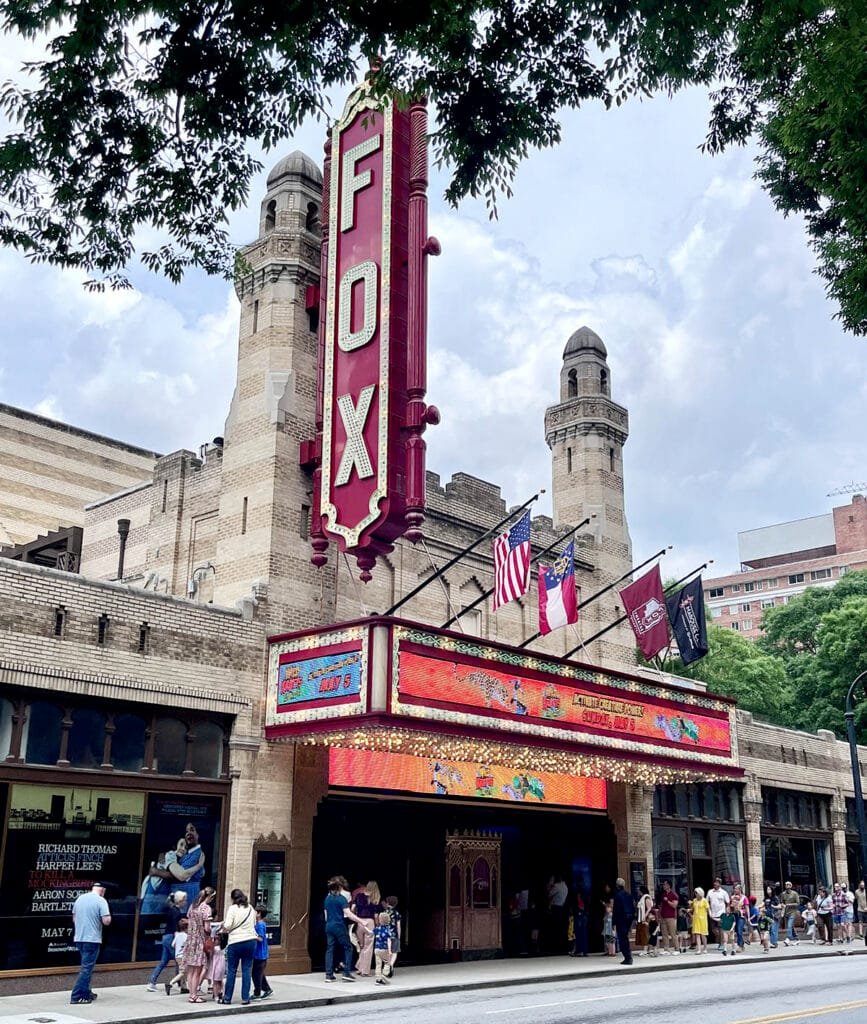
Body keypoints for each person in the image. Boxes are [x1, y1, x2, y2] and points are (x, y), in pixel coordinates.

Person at [70, 882, 111, 1005]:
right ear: (102, 890)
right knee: (86, 968)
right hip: (92, 939)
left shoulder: (80, 898)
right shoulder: (101, 901)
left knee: (86, 966)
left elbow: (74, 918)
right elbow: (106, 921)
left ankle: (87, 992)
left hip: (79, 938)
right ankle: (76, 996)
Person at [220, 888, 258, 1005]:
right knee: (247, 969)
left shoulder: (232, 909)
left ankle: (227, 998)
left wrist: (223, 925)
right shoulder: (251, 908)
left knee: (232, 970)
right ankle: (245, 998)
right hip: (250, 940)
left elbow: (227, 925)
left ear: (233, 898)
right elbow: (254, 924)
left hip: (235, 941)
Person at [147, 890, 188, 992]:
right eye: (184, 900)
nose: (186, 902)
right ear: (180, 901)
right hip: (171, 937)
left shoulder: (172, 910)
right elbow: (175, 927)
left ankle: (152, 981)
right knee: (179, 961)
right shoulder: (176, 912)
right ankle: (181, 984)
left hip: (166, 936)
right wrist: (177, 939)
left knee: (164, 961)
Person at [325, 879, 363, 981]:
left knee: (330, 949)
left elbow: (325, 916)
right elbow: (349, 914)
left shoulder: (327, 899)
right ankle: (346, 973)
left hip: (329, 926)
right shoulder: (341, 899)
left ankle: (329, 974)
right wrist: (361, 921)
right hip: (339, 926)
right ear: (340, 888)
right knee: (348, 947)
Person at [183, 885, 215, 1003]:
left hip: (191, 939)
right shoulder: (206, 908)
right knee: (197, 970)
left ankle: (191, 994)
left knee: (191, 970)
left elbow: (188, 919)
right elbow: (207, 928)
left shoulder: (193, 906)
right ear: (210, 897)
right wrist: (213, 929)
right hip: (200, 940)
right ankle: (194, 995)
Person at [352, 880, 381, 977]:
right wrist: (377, 926)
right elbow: (376, 916)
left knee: (362, 946)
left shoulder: (359, 896)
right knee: (368, 947)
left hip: (360, 921)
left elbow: (352, 909)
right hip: (370, 922)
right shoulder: (375, 898)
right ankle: (365, 971)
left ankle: (360, 967)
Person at [252, 904, 273, 999]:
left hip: (260, 954)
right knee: (259, 973)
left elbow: (260, 938)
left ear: (259, 914)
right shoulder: (260, 923)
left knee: (256, 974)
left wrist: (251, 935)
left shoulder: (260, 925)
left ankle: (257, 992)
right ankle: (267, 989)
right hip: (260, 953)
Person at [612, 877, 635, 965]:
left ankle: (628, 957)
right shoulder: (629, 895)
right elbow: (633, 908)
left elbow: (616, 910)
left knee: (622, 939)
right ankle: (628, 956)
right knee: (625, 937)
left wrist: (613, 922)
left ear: (617, 885)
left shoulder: (617, 895)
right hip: (628, 918)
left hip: (621, 918)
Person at [165, 919, 188, 994]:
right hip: (183, 956)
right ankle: (171, 983)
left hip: (177, 956)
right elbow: (187, 945)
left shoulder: (178, 935)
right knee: (183, 972)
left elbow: (173, 944)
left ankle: (183, 987)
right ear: (186, 928)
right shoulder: (185, 936)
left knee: (184, 971)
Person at [707, 878, 730, 951]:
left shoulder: (723, 892)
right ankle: (720, 939)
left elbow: (728, 903)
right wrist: (709, 912)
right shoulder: (710, 892)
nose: (715, 884)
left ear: (720, 884)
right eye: (714, 882)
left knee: (721, 929)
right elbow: (707, 902)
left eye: (717, 883)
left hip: (721, 913)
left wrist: (727, 912)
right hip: (713, 914)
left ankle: (722, 943)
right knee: (714, 929)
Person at [658, 880, 680, 954]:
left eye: (664, 884)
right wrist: (659, 915)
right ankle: (666, 949)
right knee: (664, 934)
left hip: (671, 916)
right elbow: (661, 905)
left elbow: (674, 905)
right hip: (663, 916)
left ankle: (677, 948)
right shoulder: (663, 894)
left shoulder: (674, 894)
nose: (663, 886)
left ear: (668, 885)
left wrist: (667, 901)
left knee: (673, 933)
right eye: (663, 884)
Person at [373, 911, 393, 985]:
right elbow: (389, 940)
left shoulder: (377, 929)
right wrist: (390, 950)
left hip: (376, 948)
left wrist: (365, 928)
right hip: (384, 948)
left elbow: (370, 932)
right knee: (387, 962)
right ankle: (384, 974)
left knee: (378, 964)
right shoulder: (387, 930)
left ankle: (378, 979)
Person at [383, 895, 401, 976]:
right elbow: (398, 925)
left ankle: (386, 966)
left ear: (387, 903)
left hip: (385, 934)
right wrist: (399, 935)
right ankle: (391, 965)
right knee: (395, 951)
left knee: (386, 951)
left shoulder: (384, 913)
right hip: (394, 934)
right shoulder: (397, 913)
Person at [569, 892, 589, 957]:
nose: (578, 896)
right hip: (580, 918)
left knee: (581, 935)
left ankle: (582, 951)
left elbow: (582, 909)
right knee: (579, 935)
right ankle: (581, 951)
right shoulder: (578, 901)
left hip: (580, 918)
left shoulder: (581, 901)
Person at [690, 887, 709, 954]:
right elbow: (693, 909)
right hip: (696, 918)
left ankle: (705, 947)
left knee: (703, 934)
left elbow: (707, 910)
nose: (695, 894)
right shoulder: (694, 900)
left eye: (696, 893)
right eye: (695, 893)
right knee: (697, 934)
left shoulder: (704, 900)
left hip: (703, 919)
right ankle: (699, 949)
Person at [780, 881, 801, 945]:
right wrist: (782, 905)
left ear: (791, 886)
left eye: (789, 885)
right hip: (786, 912)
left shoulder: (795, 893)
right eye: (786, 885)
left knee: (789, 925)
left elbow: (798, 903)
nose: (787, 886)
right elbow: (782, 902)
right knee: (791, 926)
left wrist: (789, 904)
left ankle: (788, 938)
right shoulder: (783, 894)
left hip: (793, 912)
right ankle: (797, 938)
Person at [635, 887, 652, 956]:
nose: (638, 892)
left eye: (639, 890)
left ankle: (646, 950)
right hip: (641, 918)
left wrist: (644, 916)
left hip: (645, 918)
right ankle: (647, 949)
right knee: (643, 933)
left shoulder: (646, 898)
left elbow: (649, 908)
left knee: (645, 933)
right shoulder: (642, 898)